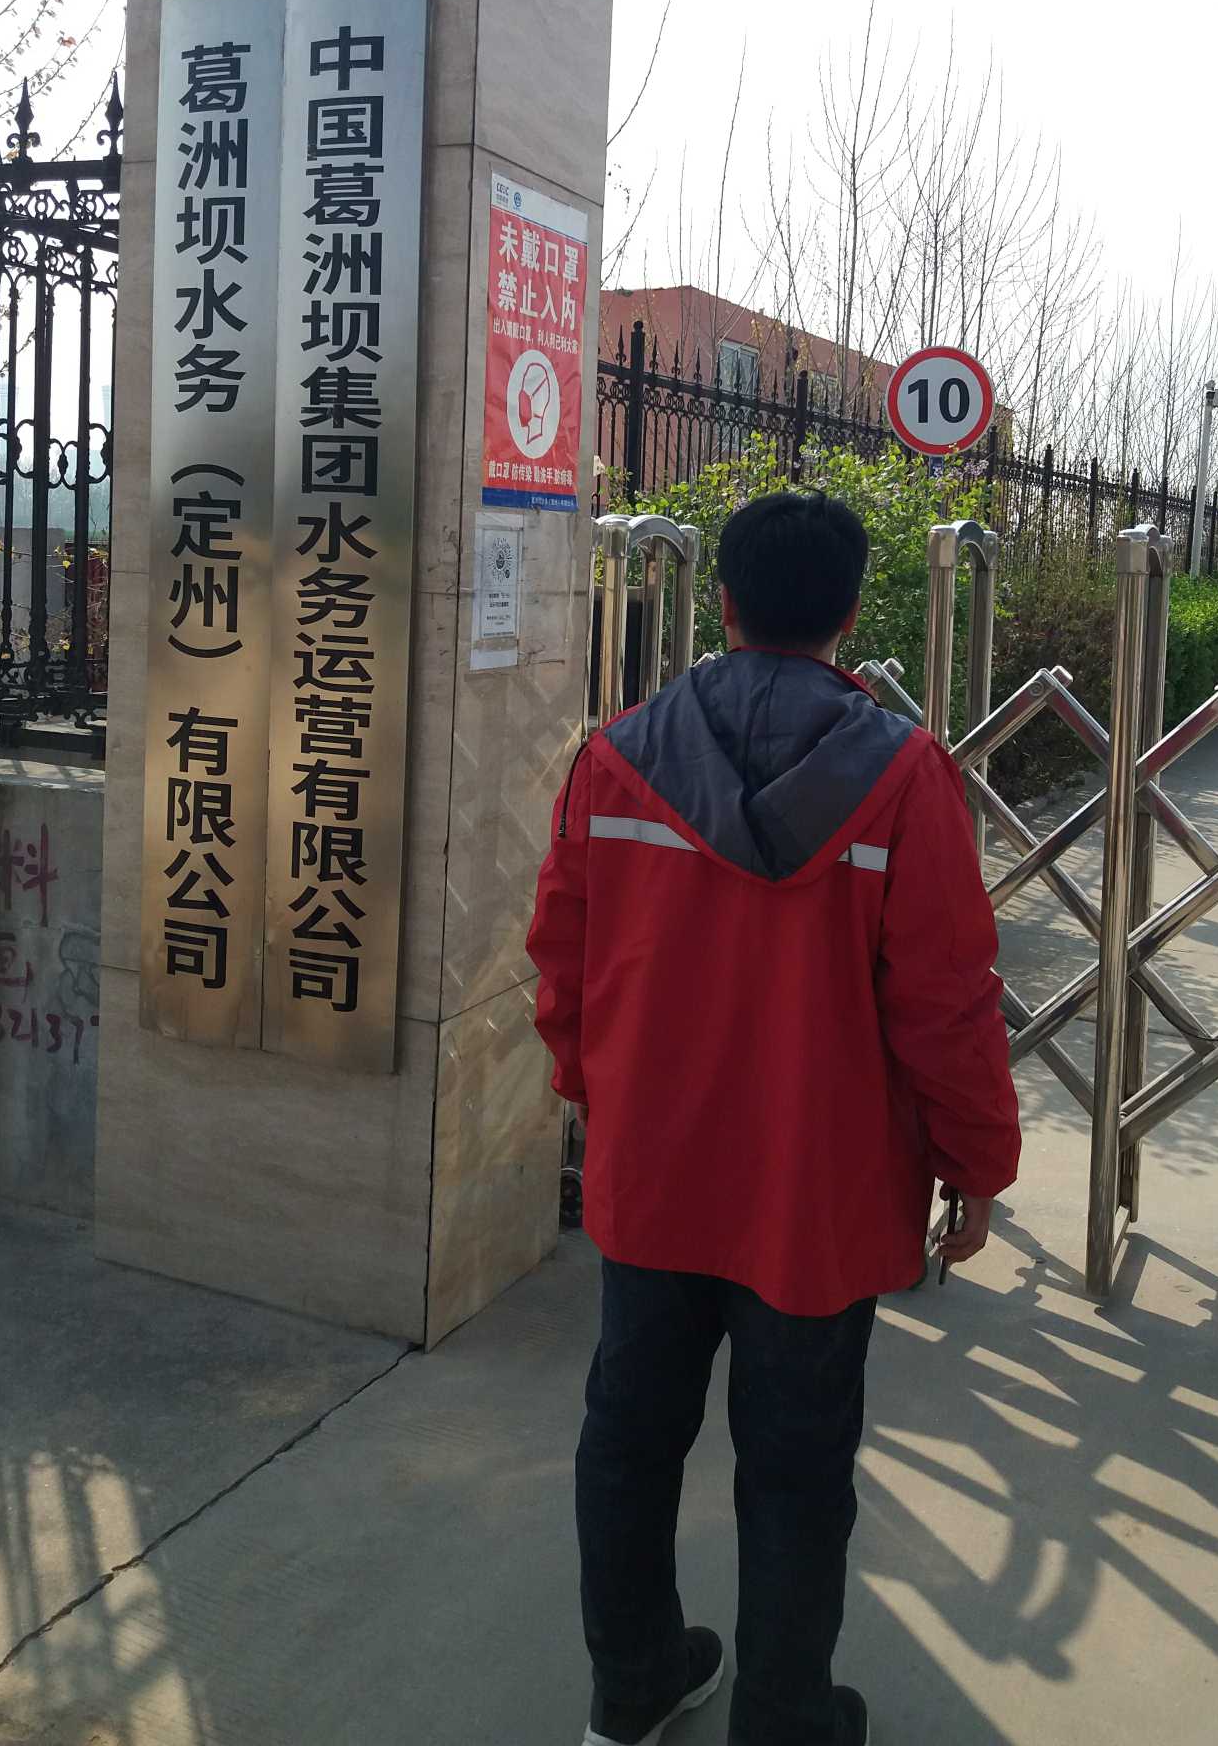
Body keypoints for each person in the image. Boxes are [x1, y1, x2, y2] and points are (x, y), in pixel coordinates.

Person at [528, 490, 1020, 1746]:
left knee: (629, 1439)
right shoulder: (903, 779)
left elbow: (562, 962)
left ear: (725, 604)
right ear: (851, 614)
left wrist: (598, 1098)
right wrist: (975, 1162)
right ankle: (785, 1716)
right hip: (817, 1196)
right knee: (796, 1468)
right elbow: (947, 1000)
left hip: (654, 1177)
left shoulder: (615, 758)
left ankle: (632, 1687)